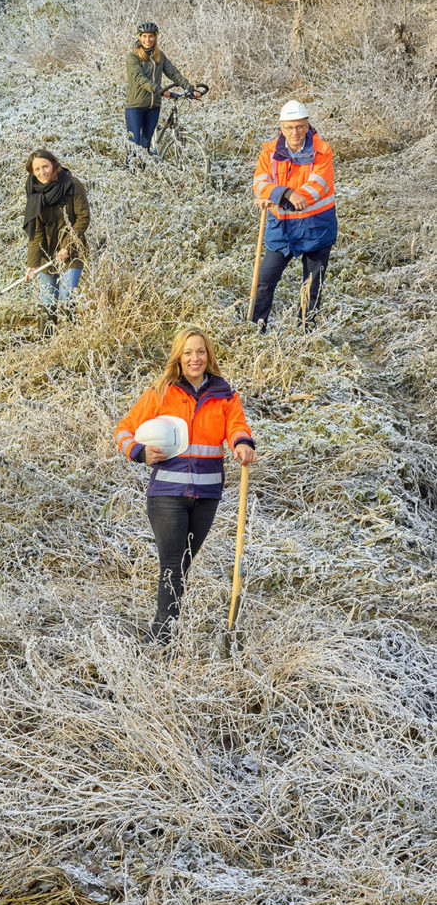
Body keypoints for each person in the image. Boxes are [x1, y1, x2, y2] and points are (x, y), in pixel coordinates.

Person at [114, 328, 256, 644]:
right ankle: (163, 637)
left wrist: (242, 444)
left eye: (201, 351)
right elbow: (124, 430)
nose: (195, 358)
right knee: (172, 563)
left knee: (183, 563)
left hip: (206, 494)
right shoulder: (161, 392)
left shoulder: (225, 395)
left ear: (209, 356)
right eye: (188, 352)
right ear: (179, 356)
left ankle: (167, 629)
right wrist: (139, 452)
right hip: (166, 493)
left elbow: (237, 426)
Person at [251, 99, 337, 331]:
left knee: (312, 286)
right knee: (265, 282)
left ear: (307, 126)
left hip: (315, 228)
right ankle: (254, 330)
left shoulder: (322, 151)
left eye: (299, 126)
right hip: (281, 229)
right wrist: (285, 193)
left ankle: (306, 332)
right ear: (282, 128)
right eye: (289, 127)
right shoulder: (269, 153)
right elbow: (260, 184)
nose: (295, 132)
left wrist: (278, 197)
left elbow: (317, 186)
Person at [22, 149, 89, 321]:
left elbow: (83, 218)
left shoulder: (72, 185)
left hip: (72, 248)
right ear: (32, 172)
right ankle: (46, 341)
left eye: (45, 166)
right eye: (37, 170)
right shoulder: (33, 192)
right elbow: (35, 232)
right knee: (48, 300)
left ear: (54, 164)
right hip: (47, 251)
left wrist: (67, 245)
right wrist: (32, 264)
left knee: (67, 294)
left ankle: (71, 339)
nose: (42, 172)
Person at [124, 22, 200, 152]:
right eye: (144, 36)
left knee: (145, 145)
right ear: (139, 37)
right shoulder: (133, 56)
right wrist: (158, 89)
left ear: (156, 37)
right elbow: (139, 78)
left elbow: (173, 72)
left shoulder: (159, 55)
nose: (148, 40)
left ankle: (144, 170)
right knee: (135, 145)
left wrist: (189, 88)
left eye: (151, 36)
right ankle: (131, 170)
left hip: (153, 106)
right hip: (135, 106)